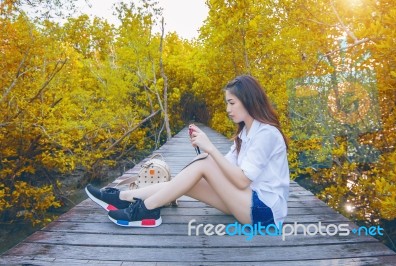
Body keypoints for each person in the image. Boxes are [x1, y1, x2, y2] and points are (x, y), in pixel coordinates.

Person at [85, 74, 290, 228]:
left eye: (231, 103)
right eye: (227, 103)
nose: (228, 109)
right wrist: (205, 151)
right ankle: (122, 197)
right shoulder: (247, 133)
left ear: (249, 100)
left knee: (204, 162)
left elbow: (242, 180)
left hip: (265, 212)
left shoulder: (267, 134)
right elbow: (225, 167)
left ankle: (147, 210)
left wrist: (209, 148)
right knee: (192, 176)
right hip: (247, 202)